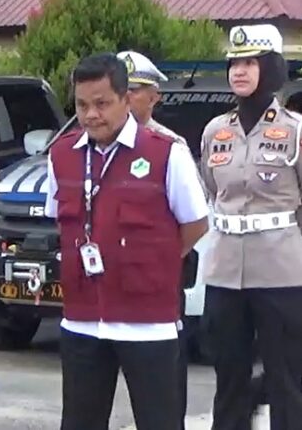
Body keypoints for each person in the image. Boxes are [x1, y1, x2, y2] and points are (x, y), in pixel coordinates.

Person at [44, 53, 209, 430]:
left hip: (147, 323)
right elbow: (61, 220)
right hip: (82, 322)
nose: (91, 115)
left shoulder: (165, 153)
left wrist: (156, 260)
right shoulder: (62, 155)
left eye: (101, 104)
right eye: (82, 105)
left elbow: (196, 223)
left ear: (125, 99)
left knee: (160, 421)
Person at [199, 24, 302, 430]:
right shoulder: (214, 131)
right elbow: (212, 190)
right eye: (234, 63)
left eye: (250, 62)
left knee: (287, 380)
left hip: (281, 271)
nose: (239, 71)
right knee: (228, 379)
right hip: (225, 272)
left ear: (272, 68)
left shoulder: (296, 132)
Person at [117, 50, 191, 430]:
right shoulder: (94, 143)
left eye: (134, 89)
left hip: (157, 278)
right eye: (122, 89)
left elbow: (192, 219)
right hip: (110, 282)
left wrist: (162, 259)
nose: (126, 97)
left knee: (163, 377)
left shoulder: (171, 145)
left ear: (154, 96)